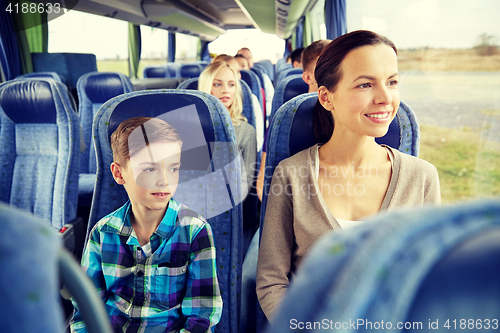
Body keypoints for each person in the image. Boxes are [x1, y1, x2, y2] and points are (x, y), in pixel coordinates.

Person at [256, 30, 441, 320]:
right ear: (327, 98)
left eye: (392, 82)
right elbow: (272, 282)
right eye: (365, 84)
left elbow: (429, 283)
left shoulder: (422, 177)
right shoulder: (290, 175)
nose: (385, 98)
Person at [71, 117, 223, 332]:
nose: (164, 180)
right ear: (118, 173)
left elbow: (202, 318)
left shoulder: (194, 231)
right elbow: (86, 312)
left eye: (173, 169)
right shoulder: (102, 232)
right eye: (150, 169)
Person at [255, 40, 331, 201]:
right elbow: (263, 187)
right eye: (323, 68)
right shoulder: (285, 120)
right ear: (307, 76)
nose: (332, 74)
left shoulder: (351, 117)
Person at [198, 61, 257, 194]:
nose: (225, 90)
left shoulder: (247, 131)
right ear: (206, 87)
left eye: (231, 85)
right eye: (217, 84)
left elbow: (244, 184)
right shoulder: (191, 128)